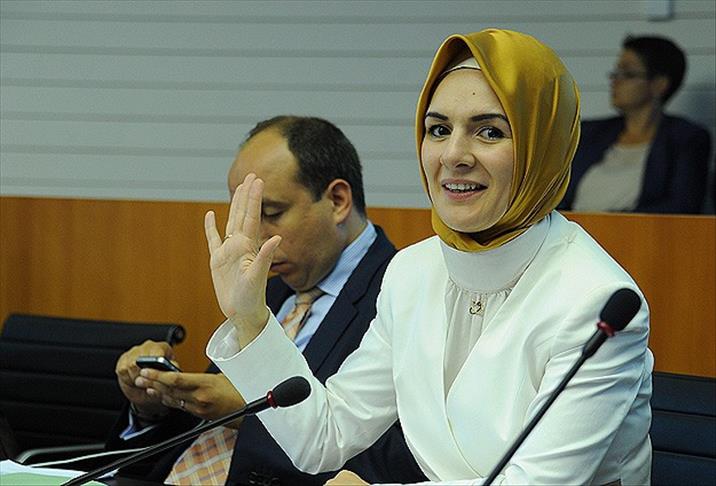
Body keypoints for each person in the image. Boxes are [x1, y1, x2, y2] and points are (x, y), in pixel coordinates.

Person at [195, 29, 653, 485]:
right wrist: (251, 319)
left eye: (489, 131)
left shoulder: (595, 301)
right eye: (438, 130)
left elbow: (538, 483)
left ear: (543, 148)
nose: (453, 155)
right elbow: (323, 437)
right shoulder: (412, 272)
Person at [108, 116, 426, 485]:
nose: (255, 239)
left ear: (338, 201)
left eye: (271, 213)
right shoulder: (272, 291)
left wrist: (252, 413)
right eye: (245, 217)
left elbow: (405, 458)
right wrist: (152, 407)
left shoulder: (403, 294)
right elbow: (196, 439)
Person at [560, 35, 712, 214]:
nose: (615, 81)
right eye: (616, 72)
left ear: (659, 84)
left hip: (640, 230)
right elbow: (558, 196)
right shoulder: (589, 132)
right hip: (575, 228)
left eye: (627, 73)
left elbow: (682, 207)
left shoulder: (686, 139)